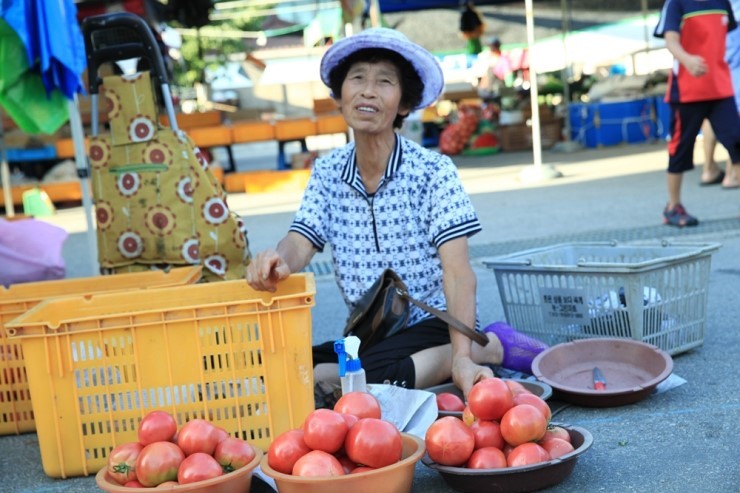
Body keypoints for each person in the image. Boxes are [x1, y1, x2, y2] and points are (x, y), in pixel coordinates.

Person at [246, 27, 545, 405]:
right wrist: (278, 261)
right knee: (286, 366)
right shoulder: (327, 172)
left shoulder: (433, 171)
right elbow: (300, 241)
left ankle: (483, 348)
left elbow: (457, 272)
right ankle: (475, 348)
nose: (368, 91)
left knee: (363, 379)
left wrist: (462, 358)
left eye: (384, 81)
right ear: (340, 96)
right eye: (357, 78)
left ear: (404, 104)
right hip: (371, 332)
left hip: (434, 322)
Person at [654, 0, 740, 227]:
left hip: (720, 87)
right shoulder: (676, 3)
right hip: (687, 90)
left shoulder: (722, 2)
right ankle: (673, 207)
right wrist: (687, 59)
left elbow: (727, 36)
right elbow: (670, 40)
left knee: (737, 141)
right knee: (680, 148)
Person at [699, 0, 740, 189]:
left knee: (715, 106)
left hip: (717, 31)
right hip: (734, 29)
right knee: (734, 106)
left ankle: (709, 168)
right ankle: (733, 173)